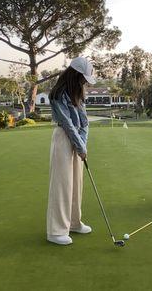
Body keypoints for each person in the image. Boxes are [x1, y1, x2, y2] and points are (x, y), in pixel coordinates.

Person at [46, 57, 96, 245]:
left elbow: (84, 121)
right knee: (62, 184)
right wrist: (80, 145)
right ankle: (56, 231)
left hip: (77, 140)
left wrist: (82, 143)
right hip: (63, 137)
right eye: (83, 78)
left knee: (76, 183)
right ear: (75, 74)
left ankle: (74, 222)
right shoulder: (58, 94)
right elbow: (67, 123)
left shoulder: (79, 91)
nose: (85, 82)